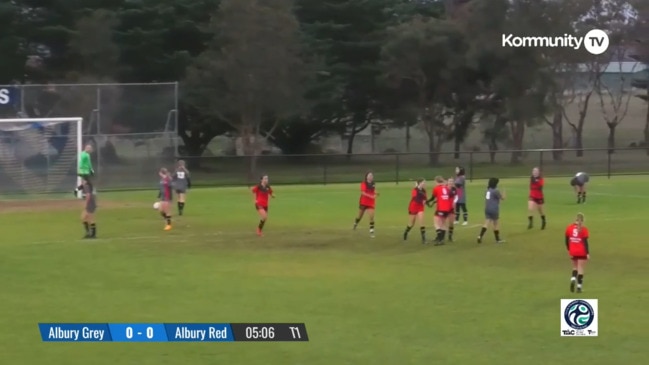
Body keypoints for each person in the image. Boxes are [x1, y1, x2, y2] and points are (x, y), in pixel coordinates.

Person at [565, 213, 590, 293]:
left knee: (575, 267)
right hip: (582, 251)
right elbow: (585, 242)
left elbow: (566, 240)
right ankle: (579, 287)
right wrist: (587, 253)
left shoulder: (569, 228)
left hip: (573, 250)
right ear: (582, 221)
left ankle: (573, 278)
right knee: (581, 268)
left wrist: (569, 249)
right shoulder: (584, 229)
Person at [477, 177, 506, 244]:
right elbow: (503, 198)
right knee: (496, 224)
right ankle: (497, 239)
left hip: (487, 208)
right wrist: (504, 191)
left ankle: (480, 236)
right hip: (494, 209)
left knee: (486, 223)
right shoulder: (496, 190)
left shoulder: (488, 190)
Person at [428, 176, 454, 245]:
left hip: (441, 208)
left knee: (436, 223)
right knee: (443, 223)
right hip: (448, 209)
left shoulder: (436, 188)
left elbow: (432, 198)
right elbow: (451, 195)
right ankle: (442, 240)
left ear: (436, 181)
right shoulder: (447, 188)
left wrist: (427, 202)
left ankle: (439, 239)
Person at [353, 172, 378, 237]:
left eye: (372, 175)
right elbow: (363, 193)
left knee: (371, 217)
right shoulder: (363, 183)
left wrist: (376, 194)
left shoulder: (373, 184)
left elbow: (374, 191)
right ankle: (355, 223)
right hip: (363, 202)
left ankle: (371, 231)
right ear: (366, 177)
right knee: (359, 217)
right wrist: (371, 196)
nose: (371, 177)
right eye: (369, 175)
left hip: (371, 203)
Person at [403, 178, 427, 244]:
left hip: (420, 208)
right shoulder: (415, 190)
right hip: (413, 207)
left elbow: (425, 198)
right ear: (419, 183)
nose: (424, 183)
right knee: (411, 224)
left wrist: (425, 201)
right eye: (423, 182)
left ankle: (424, 239)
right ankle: (405, 233)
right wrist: (422, 201)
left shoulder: (424, 190)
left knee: (422, 222)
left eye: (424, 182)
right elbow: (415, 198)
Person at [447, 177, 458, 242]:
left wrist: (454, 203)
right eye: (449, 181)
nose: (451, 182)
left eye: (452, 181)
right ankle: (440, 236)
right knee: (442, 223)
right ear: (447, 182)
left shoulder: (454, 189)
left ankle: (450, 237)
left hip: (451, 208)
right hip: (444, 207)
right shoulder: (444, 188)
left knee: (451, 223)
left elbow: (456, 198)